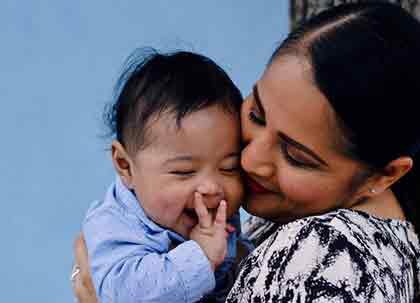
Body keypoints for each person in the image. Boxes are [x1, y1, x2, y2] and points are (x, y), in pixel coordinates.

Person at [72, 2, 420, 302]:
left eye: (295, 156)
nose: (249, 161)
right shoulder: (281, 211)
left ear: (384, 174)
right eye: (256, 114)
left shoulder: (328, 255)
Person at [80, 49, 250, 303]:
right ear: (125, 165)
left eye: (229, 167)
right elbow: (122, 295)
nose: (212, 187)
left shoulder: (215, 212)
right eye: (184, 172)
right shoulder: (115, 224)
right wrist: (200, 257)